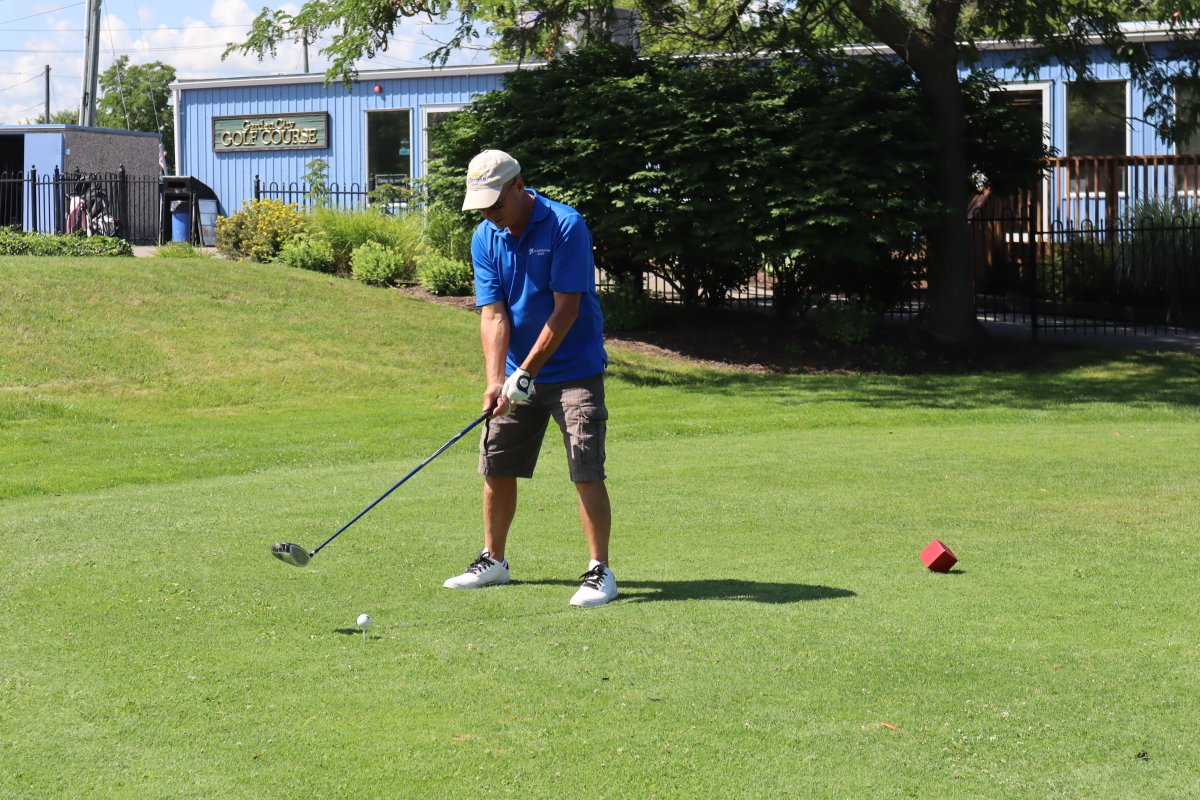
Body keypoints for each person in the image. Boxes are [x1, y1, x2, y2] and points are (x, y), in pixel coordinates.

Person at [443, 149, 617, 608]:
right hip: (518, 372)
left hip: (574, 367)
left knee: (584, 466)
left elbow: (567, 309)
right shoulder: (486, 236)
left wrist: (526, 372)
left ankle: (599, 571)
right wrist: (495, 380)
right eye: (481, 206)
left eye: (495, 204)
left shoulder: (565, 225)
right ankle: (493, 560)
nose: (489, 214)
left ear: (518, 186)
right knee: (496, 463)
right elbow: (493, 314)